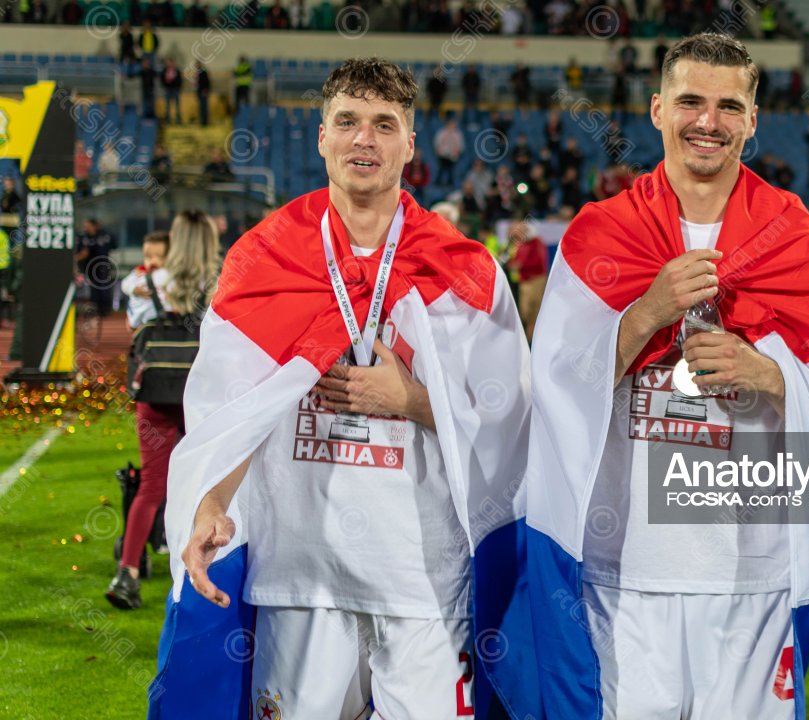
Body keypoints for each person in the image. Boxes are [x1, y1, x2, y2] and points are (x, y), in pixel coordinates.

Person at [152, 58, 533, 719]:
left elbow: (510, 427)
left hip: (422, 579)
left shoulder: (465, 272)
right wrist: (211, 501)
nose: (365, 139)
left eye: (385, 125)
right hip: (302, 578)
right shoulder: (264, 261)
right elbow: (231, 413)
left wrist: (408, 400)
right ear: (322, 135)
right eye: (349, 121)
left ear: (410, 145)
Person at [525, 33, 809, 718]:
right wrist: (647, 311)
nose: (708, 122)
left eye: (729, 106)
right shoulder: (601, 234)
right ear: (657, 109)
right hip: (625, 571)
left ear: (753, 120)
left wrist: (769, 374)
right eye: (690, 102)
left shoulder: (797, 242)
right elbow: (553, 389)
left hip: (753, 575)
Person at [106, 214, 220, 609]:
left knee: (152, 485)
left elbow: (133, 324)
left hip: (155, 390)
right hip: (200, 395)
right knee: (205, 484)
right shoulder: (220, 282)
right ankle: (200, 571)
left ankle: (128, 572)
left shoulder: (146, 282)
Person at [119, 230, 170, 330]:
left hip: (165, 317)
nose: (153, 261)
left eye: (160, 257)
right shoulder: (140, 272)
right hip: (143, 319)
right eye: (148, 257)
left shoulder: (170, 274)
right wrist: (134, 289)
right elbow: (125, 284)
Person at [506, 220, 547, 342]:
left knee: (533, 312)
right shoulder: (520, 244)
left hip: (535, 280)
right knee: (525, 313)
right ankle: (528, 340)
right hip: (523, 281)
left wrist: (520, 265)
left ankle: (533, 341)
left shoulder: (536, 242)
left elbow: (539, 262)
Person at [75, 218, 117, 319]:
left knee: (103, 287)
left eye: (87, 226)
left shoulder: (104, 236)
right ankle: (96, 310)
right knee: (93, 288)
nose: (85, 228)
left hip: (102, 265)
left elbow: (113, 246)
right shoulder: (84, 237)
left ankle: (105, 309)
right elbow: (83, 252)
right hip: (89, 266)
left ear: (94, 226)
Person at [161, 57, 183, 124]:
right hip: (168, 89)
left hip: (175, 89)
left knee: (177, 105)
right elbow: (162, 79)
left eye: (170, 62)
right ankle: (168, 119)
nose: (168, 64)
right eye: (167, 62)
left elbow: (180, 80)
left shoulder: (176, 70)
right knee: (167, 105)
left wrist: (178, 87)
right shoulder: (165, 70)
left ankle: (178, 119)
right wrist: (165, 85)